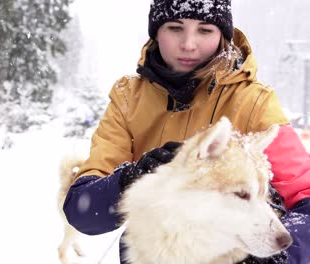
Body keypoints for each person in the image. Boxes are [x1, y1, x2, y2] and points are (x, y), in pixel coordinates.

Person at [62, 0, 310, 263]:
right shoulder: (128, 99)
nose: (189, 44)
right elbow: (83, 211)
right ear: (156, 31)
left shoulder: (253, 103)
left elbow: (306, 199)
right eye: (175, 27)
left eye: (205, 30)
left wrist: (277, 258)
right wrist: (131, 178)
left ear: (222, 35)